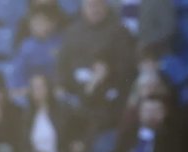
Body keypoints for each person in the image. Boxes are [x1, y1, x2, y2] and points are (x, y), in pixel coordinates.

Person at [55, 0, 137, 133]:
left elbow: (127, 66)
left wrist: (108, 71)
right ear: (83, 8)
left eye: (98, 5)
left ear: (106, 7)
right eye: (91, 6)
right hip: (75, 95)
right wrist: (61, 85)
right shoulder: (72, 31)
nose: (95, 10)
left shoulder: (119, 31)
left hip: (107, 96)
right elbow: (62, 63)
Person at [21, 73, 87, 152]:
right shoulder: (27, 115)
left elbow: (88, 123)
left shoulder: (63, 109)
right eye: (34, 87)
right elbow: (24, 145)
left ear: (48, 87)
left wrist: (82, 142)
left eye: (41, 86)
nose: (38, 90)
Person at [12, 6, 63, 90]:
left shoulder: (59, 43)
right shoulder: (25, 47)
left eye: (43, 22)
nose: (40, 26)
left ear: (51, 24)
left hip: (55, 89)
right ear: (30, 25)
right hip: (31, 91)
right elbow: (19, 74)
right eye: (36, 23)